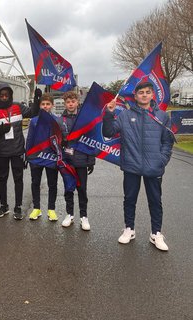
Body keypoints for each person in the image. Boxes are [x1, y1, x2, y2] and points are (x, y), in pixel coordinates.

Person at [102, 81, 174, 251]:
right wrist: (108, 114)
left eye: (147, 92)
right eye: (140, 92)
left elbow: (167, 142)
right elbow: (108, 132)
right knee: (129, 199)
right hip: (131, 166)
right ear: (135, 96)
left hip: (154, 167)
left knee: (155, 201)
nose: (144, 95)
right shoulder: (125, 115)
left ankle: (156, 233)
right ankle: (129, 229)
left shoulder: (162, 116)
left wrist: (161, 160)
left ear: (152, 95)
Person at [0, 83, 39, 220]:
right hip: (2, 152)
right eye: (1, 95)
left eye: (6, 95)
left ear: (10, 95)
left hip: (17, 150)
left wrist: (37, 100)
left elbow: (33, 112)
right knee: (2, 179)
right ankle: (4, 206)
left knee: (18, 179)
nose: (4, 98)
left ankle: (18, 206)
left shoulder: (18, 106)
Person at [58, 91, 95, 231]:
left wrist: (91, 160)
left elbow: (91, 140)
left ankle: (84, 216)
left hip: (81, 159)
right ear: (65, 103)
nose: (71, 104)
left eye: (73, 101)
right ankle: (69, 214)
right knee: (68, 188)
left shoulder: (84, 119)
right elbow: (56, 140)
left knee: (82, 189)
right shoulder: (60, 120)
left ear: (77, 102)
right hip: (67, 160)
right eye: (68, 102)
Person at [25, 93, 59, 222]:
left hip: (51, 157)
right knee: (35, 182)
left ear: (52, 105)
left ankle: (51, 209)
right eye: (43, 104)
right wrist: (27, 155)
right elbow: (30, 139)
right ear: (40, 106)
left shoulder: (56, 120)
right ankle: (37, 208)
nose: (45, 106)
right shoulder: (34, 121)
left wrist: (60, 156)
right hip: (36, 156)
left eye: (48, 104)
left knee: (52, 184)